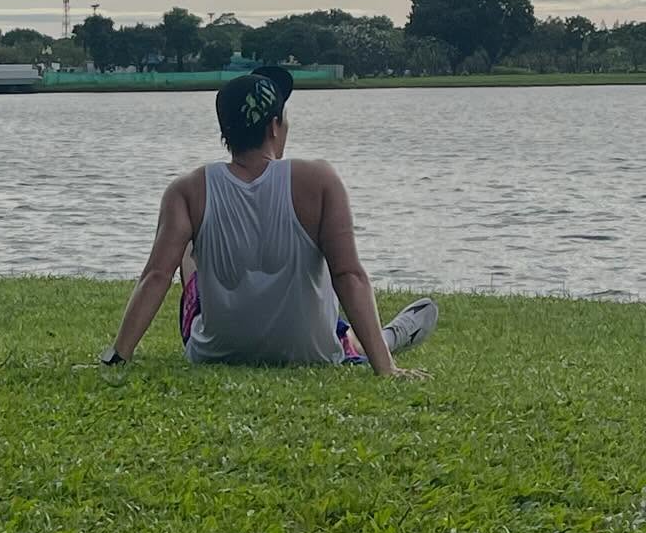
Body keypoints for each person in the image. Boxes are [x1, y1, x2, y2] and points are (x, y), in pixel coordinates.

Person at [100, 66, 437, 376]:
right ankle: (387, 340)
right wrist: (385, 370)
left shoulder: (187, 190)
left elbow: (156, 275)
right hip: (312, 351)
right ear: (274, 126)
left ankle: (378, 338)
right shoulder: (319, 180)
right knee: (336, 321)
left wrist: (118, 356)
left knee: (186, 246)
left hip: (216, 351)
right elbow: (348, 275)